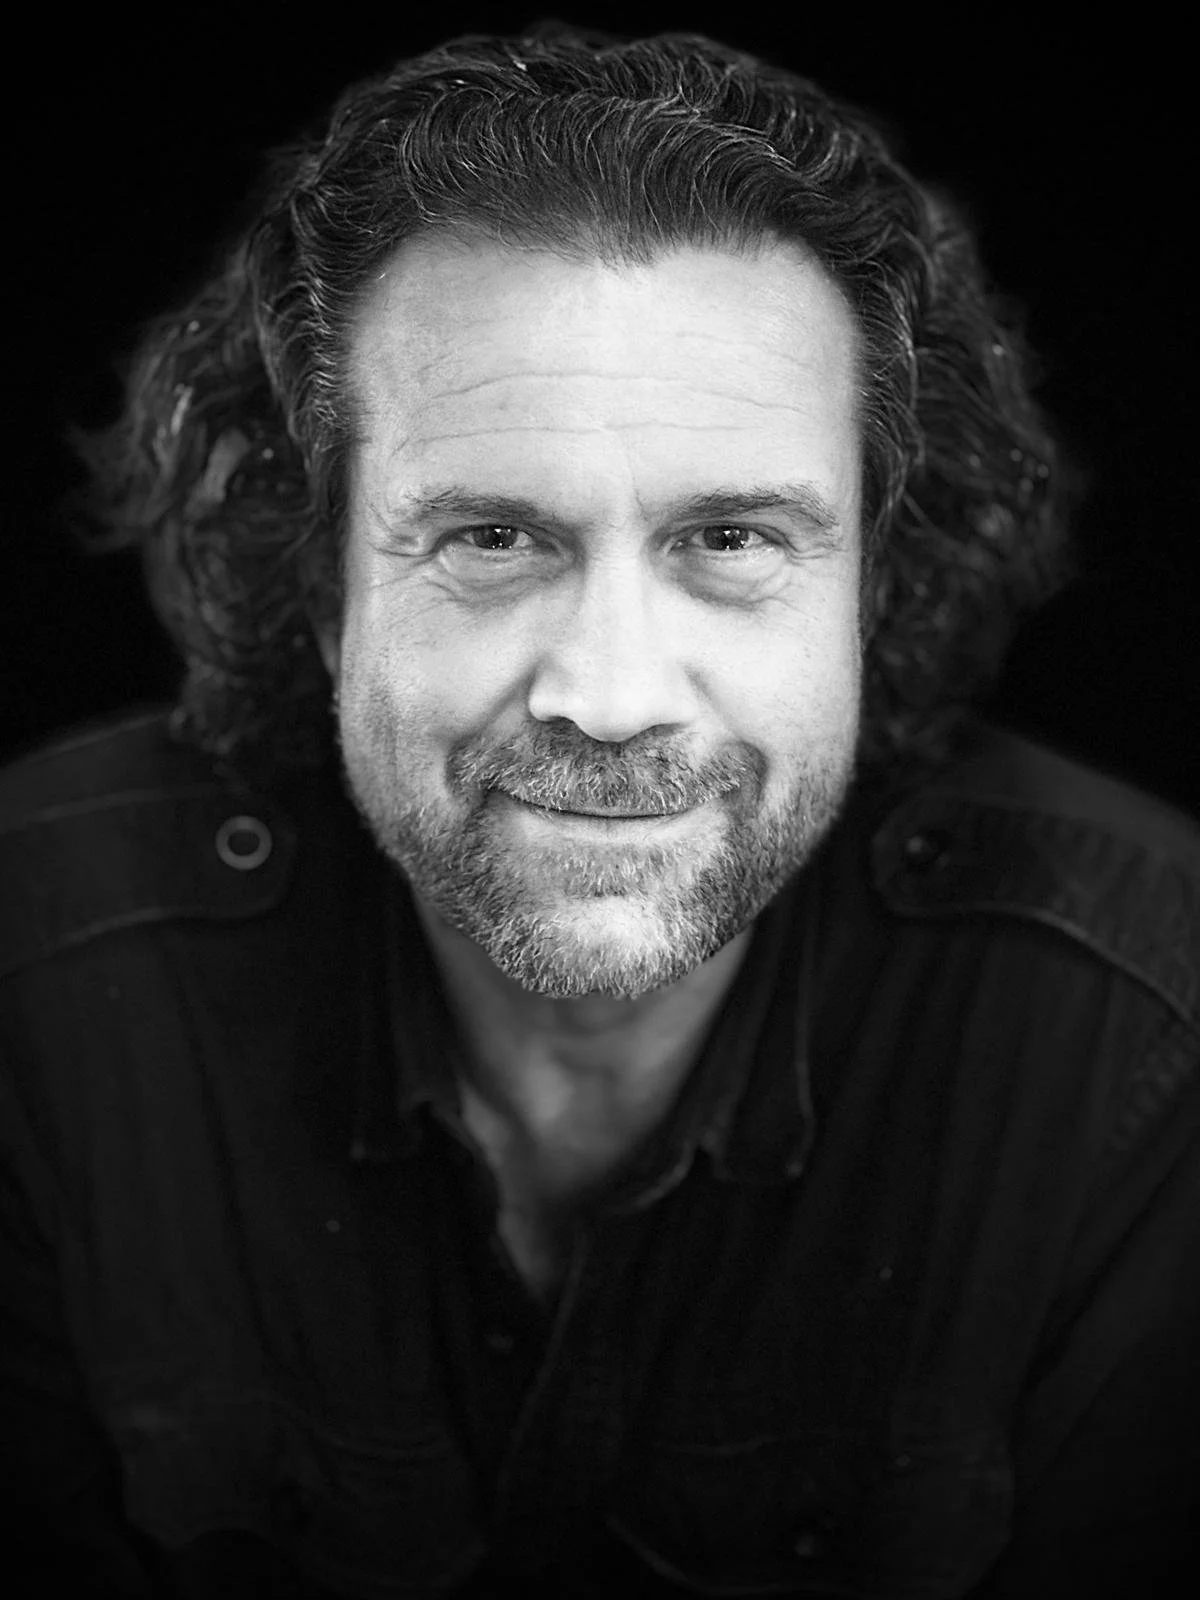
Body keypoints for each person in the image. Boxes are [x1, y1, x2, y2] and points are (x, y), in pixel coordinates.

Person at [1, 21, 1196, 1599]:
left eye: (734, 539)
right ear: (319, 593)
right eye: (494, 535)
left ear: (874, 592)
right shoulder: (32, 972)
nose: (613, 692)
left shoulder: (1152, 1035)